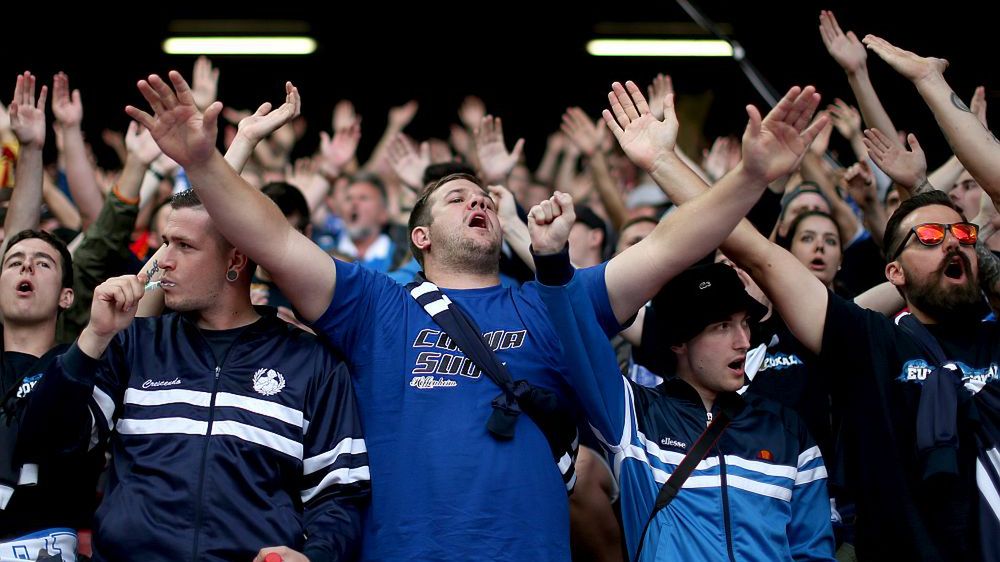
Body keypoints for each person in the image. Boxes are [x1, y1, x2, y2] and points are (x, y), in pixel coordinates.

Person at [123, 71, 825, 561]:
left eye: (484, 194)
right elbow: (271, 237)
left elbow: (674, 245)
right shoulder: (375, 304)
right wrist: (204, 162)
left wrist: (751, 176)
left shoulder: (555, 300)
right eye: (456, 196)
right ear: (419, 237)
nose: (477, 200)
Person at [20, 189, 370, 561]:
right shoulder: (134, 344)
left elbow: (339, 495)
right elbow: (44, 441)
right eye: (165, 242)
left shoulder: (310, 361)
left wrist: (315, 557)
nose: (163, 261)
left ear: (234, 260)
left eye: (184, 246)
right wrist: (94, 336)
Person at [530, 226, 835, 560]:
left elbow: (813, 551)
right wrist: (552, 258)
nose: (744, 341)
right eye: (722, 327)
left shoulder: (788, 431)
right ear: (678, 342)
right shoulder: (634, 417)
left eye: (745, 323)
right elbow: (577, 330)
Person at [0, 71, 99, 562]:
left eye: (42, 266)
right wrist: (31, 149)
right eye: (15, 266)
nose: (25, 269)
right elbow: (13, 242)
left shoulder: (79, 364)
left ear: (65, 297)